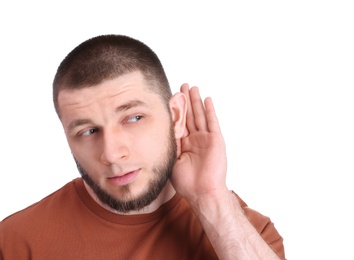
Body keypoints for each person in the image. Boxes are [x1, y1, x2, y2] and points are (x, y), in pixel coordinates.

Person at [0, 34, 285, 260]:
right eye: (88, 131)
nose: (111, 154)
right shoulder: (16, 243)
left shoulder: (247, 234)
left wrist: (210, 197)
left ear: (175, 116)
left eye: (133, 118)